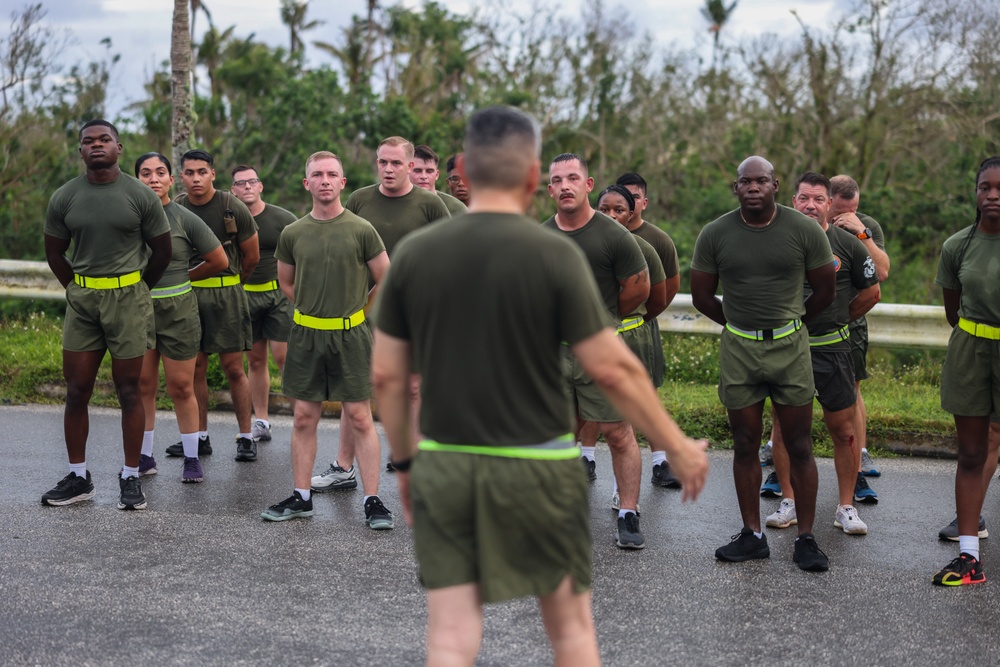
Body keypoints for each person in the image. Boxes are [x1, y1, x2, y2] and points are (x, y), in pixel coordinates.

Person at [371, 105, 709, 666]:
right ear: (534, 177)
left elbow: (386, 373)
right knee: (572, 632)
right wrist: (674, 444)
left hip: (449, 459)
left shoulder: (415, 254)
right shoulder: (552, 253)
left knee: (452, 635)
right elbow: (614, 367)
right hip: (538, 461)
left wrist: (406, 465)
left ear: (466, 171)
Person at [690, 156, 835, 571]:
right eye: (745, 182)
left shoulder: (803, 229)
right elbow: (702, 296)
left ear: (775, 185)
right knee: (744, 442)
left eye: (761, 181)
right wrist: (739, 325)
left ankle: (806, 538)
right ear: (736, 188)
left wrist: (794, 323)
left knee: (800, 444)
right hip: (739, 350)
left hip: (790, 348)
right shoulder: (715, 233)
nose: (753, 187)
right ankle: (752, 534)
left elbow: (824, 289)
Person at [260, 151, 394, 530]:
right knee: (304, 417)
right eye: (316, 174)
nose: (323, 180)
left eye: (331, 174)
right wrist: (312, 310)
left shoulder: (361, 229)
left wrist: (359, 310)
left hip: (352, 335)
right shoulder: (294, 233)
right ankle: (301, 497)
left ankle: (372, 500)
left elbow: (386, 277)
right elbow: (287, 283)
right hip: (306, 334)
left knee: (359, 417)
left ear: (342, 183)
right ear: (307, 184)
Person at [41, 120, 171, 510]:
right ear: (80, 151)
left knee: (129, 391)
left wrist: (136, 289)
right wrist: (78, 288)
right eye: (88, 142)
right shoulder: (64, 196)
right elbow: (54, 252)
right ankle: (79, 477)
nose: (96, 145)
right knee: (76, 390)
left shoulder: (139, 195)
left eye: (104, 140)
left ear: (118, 147)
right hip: (83, 302)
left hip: (128, 300)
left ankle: (131, 477)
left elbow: (161, 252)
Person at [542, 153, 652, 549]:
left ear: (588, 185)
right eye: (557, 180)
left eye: (573, 177)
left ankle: (628, 514)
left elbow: (638, 289)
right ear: (550, 188)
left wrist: (600, 320)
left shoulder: (613, 235)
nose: (565, 185)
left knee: (619, 432)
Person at [762, 172, 880, 536]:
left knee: (843, 429)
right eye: (803, 198)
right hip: (787, 350)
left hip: (834, 349)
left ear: (830, 204)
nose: (810, 205)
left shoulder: (847, 244)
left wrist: (839, 318)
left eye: (817, 199)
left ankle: (846, 506)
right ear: (792, 201)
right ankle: (789, 501)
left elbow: (871, 291)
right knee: (784, 429)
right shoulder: (774, 240)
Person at [334, 136, 450, 480]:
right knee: (354, 388)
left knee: (414, 387)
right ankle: (342, 466)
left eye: (396, 163)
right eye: (383, 162)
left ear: (411, 166)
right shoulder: (359, 199)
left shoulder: (429, 204)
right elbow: (343, 246)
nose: (388, 169)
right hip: (361, 308)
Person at [135, 152, 228, 483]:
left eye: (161, 172)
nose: (154, 178)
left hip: (179, 310)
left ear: (171, 180)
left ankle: (192, 458)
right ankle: (144, 457)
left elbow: (219, 259)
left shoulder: (184, 218)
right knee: (143, 385)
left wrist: (187, 278)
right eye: (146, 173)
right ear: (137, 180)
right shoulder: (129, 219)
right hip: (139, 312)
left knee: (180, 386)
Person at [931, 156, 1000, 586]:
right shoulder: (957, 245)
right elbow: (952, 312)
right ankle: (969, 557)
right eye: (985, 188)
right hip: (971, 352)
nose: (992, 195)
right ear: (975, 193)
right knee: (972, 455)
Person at [170, 150, 260, 463]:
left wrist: (233, 283)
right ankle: (199, 437)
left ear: (213, 174)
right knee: (195, 368)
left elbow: (252, 257)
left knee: (234, 367)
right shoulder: (177, 207)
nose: (196, 178)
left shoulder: (231, 206)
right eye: (190, 172)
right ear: (181, 176)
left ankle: (246, 437)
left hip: (226, 297)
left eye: (202, 172)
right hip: (188, 296)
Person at [593, 184, 673, 504]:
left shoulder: (644, 249)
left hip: (629, 339)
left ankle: (624, 497)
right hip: (589, 341)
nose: (611, 216)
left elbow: (658, 299)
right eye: (604, 210)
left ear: (631, 215)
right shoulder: (582, 245)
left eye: (619, 210)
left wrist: (627, 323)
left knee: (622, 424)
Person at [615, 171, 683, 486]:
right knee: (590, 395)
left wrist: (641, 317)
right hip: (602, 329)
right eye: (615, 203)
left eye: (633, 198)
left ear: (642, 202)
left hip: (640, 325)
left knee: (646, 393)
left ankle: (660, 461)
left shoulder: (656, 239)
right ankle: (585, 456)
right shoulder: (594, 234)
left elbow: (666, 291)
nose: (623, 207)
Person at [830, 175, 890, 502]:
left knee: (851, 392)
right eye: (840, 212)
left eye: (852, 210)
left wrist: (861, 232)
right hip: (806, 321)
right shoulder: (808, 223)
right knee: (789, 394)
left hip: (850, 320)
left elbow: (881, 273)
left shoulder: (866, 225)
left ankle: (858, 465)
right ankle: (777, 464)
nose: (845, 217)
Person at [230, 164, 298, 443]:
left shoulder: (283, 218)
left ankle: (301, 420)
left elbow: (301, 253)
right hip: (244, 295)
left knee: (284, 358)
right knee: (255, 361)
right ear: (232, 189)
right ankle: (261, 422)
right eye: (240, 183)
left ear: (260, 186)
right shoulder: (229, 219)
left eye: (251, 182)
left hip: (278, 294)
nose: (246, 187)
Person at [410, 144, 469, 216]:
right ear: (408, 171)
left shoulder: (456, 208)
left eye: (429, 171)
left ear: (437, 174)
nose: (424, 176)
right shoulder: (399, 203)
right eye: (418, 171)